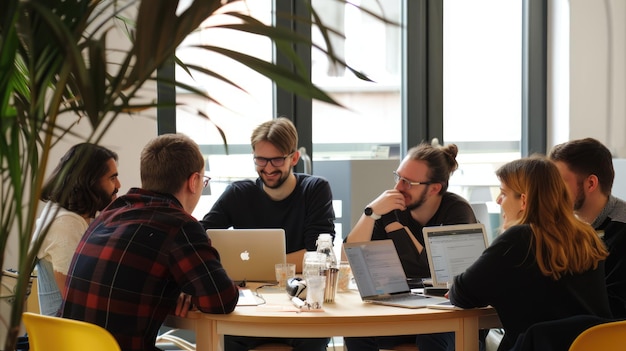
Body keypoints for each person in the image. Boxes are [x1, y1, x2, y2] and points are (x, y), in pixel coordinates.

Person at [61, 134, 239, 351]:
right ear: (193, 182)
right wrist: (191, 290)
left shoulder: (108, 215)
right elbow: (222, 301)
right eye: (203, 180)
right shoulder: (180, 225)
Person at [449, 156, 612, 351]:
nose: (498, 200)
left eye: (503, 193)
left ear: (524, 201)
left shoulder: (519, 238)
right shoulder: (588, 237)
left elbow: (462, 294)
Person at [201, 117, 335, 351]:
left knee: (314, 338)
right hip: (249, 302)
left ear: (293, 158)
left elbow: (318, 252)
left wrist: (257, 266)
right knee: (227, 336)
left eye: (276, 159)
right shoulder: (238, 193)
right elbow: (203, 236)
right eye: (261, 159)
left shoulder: (315, 189)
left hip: (299, 300)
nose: (268, 167)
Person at [344, 142, 477, 351]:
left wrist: (396, 226)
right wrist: (370, 213)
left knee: (431, 337)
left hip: (449, 311)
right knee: (357, 331)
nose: (398, 188)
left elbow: (430, 269)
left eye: (408, 182)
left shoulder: (457, 211)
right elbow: (347, 262)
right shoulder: (388, 206)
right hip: (403, 305)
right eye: (398, 177)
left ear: (434, 188)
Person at [32, 143, 120, 316]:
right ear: (90, 182)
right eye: (112, 178)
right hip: (68, 338)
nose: (119, 184)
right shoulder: (66, 224)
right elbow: (77, 304)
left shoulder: (70, 216)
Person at [549, 137, 626, 318]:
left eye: (560, 183)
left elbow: (614, 309)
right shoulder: (567, 226)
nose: (552, 191)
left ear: (591, 183)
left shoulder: (621, 231)